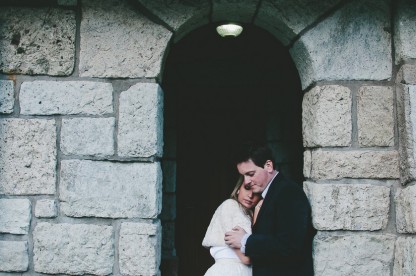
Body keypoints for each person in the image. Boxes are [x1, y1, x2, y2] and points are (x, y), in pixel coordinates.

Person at [224, 143, 316, 275]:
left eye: (250, 174)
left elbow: (290, 246)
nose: (246, 182)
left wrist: (245, 240)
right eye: (243, 176)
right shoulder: (271, 193)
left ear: (268, 166)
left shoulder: (288, 192)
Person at [202, 176, 262, 276]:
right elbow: (247, 258)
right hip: (231, 271)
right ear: (238, 189)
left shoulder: (248, 214)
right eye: (247, 188)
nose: (250, 195)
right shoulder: (231, 206)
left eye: (256, 192)